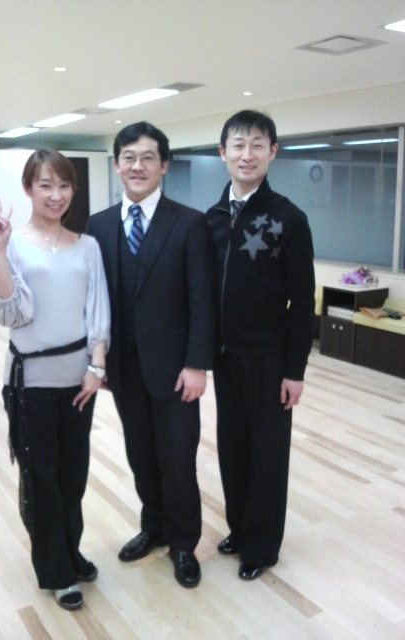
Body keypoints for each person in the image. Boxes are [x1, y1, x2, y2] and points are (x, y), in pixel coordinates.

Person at [87, 122, 215, 588]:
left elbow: (203, 300)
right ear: (117, 165)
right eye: (128, 157)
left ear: (164, 165)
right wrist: (98, 361)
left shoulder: (190, 223)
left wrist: (197, 364)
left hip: (176, 369)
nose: (137, 166)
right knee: (141, 454)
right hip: (123, 369)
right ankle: (154, 526)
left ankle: (183, 543)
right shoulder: (99, 226)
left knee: (178, 460)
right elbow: (95, 301)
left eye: (147, 157)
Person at [0, 150, 110, 610]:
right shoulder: (12, 243)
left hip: (78, 381)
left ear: (73, 190)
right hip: (30, 383)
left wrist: (97, 368)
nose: (56, 195)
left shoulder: (87, 246)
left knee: (73, 477)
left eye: (64, 185)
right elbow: (8, 310)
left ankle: (70, 552)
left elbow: (98, 310)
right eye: (45, 185)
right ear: (28, 189)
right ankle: (56, 572)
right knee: (43, 479)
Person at [205, 110, 315, 580]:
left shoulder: (289, 218)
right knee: (233, 450)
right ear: (222, 153)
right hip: (225, 359)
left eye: (256, 145)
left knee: (267, 456)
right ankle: (239, 528)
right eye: (237, 145)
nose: (246, 154)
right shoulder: (211, 220)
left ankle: (261, 546)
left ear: (273, 152)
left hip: (270, 360)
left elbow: (303, 301)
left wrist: (295, 371)